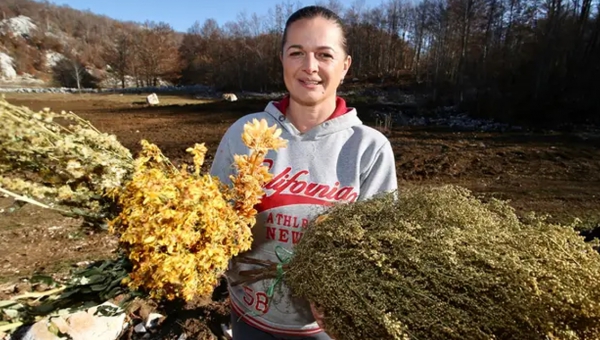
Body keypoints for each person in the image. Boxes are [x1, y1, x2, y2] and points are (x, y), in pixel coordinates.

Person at [209, 5, 398, 340]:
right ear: (282, 59)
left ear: (345, 66)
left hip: (324, 329)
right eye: (297, 53)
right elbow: (210, 219)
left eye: (324, 54)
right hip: (250, 319)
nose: (310, 67)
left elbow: (381, 249)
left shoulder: (369, 148)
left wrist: (342, 296)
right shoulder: (245, 134)